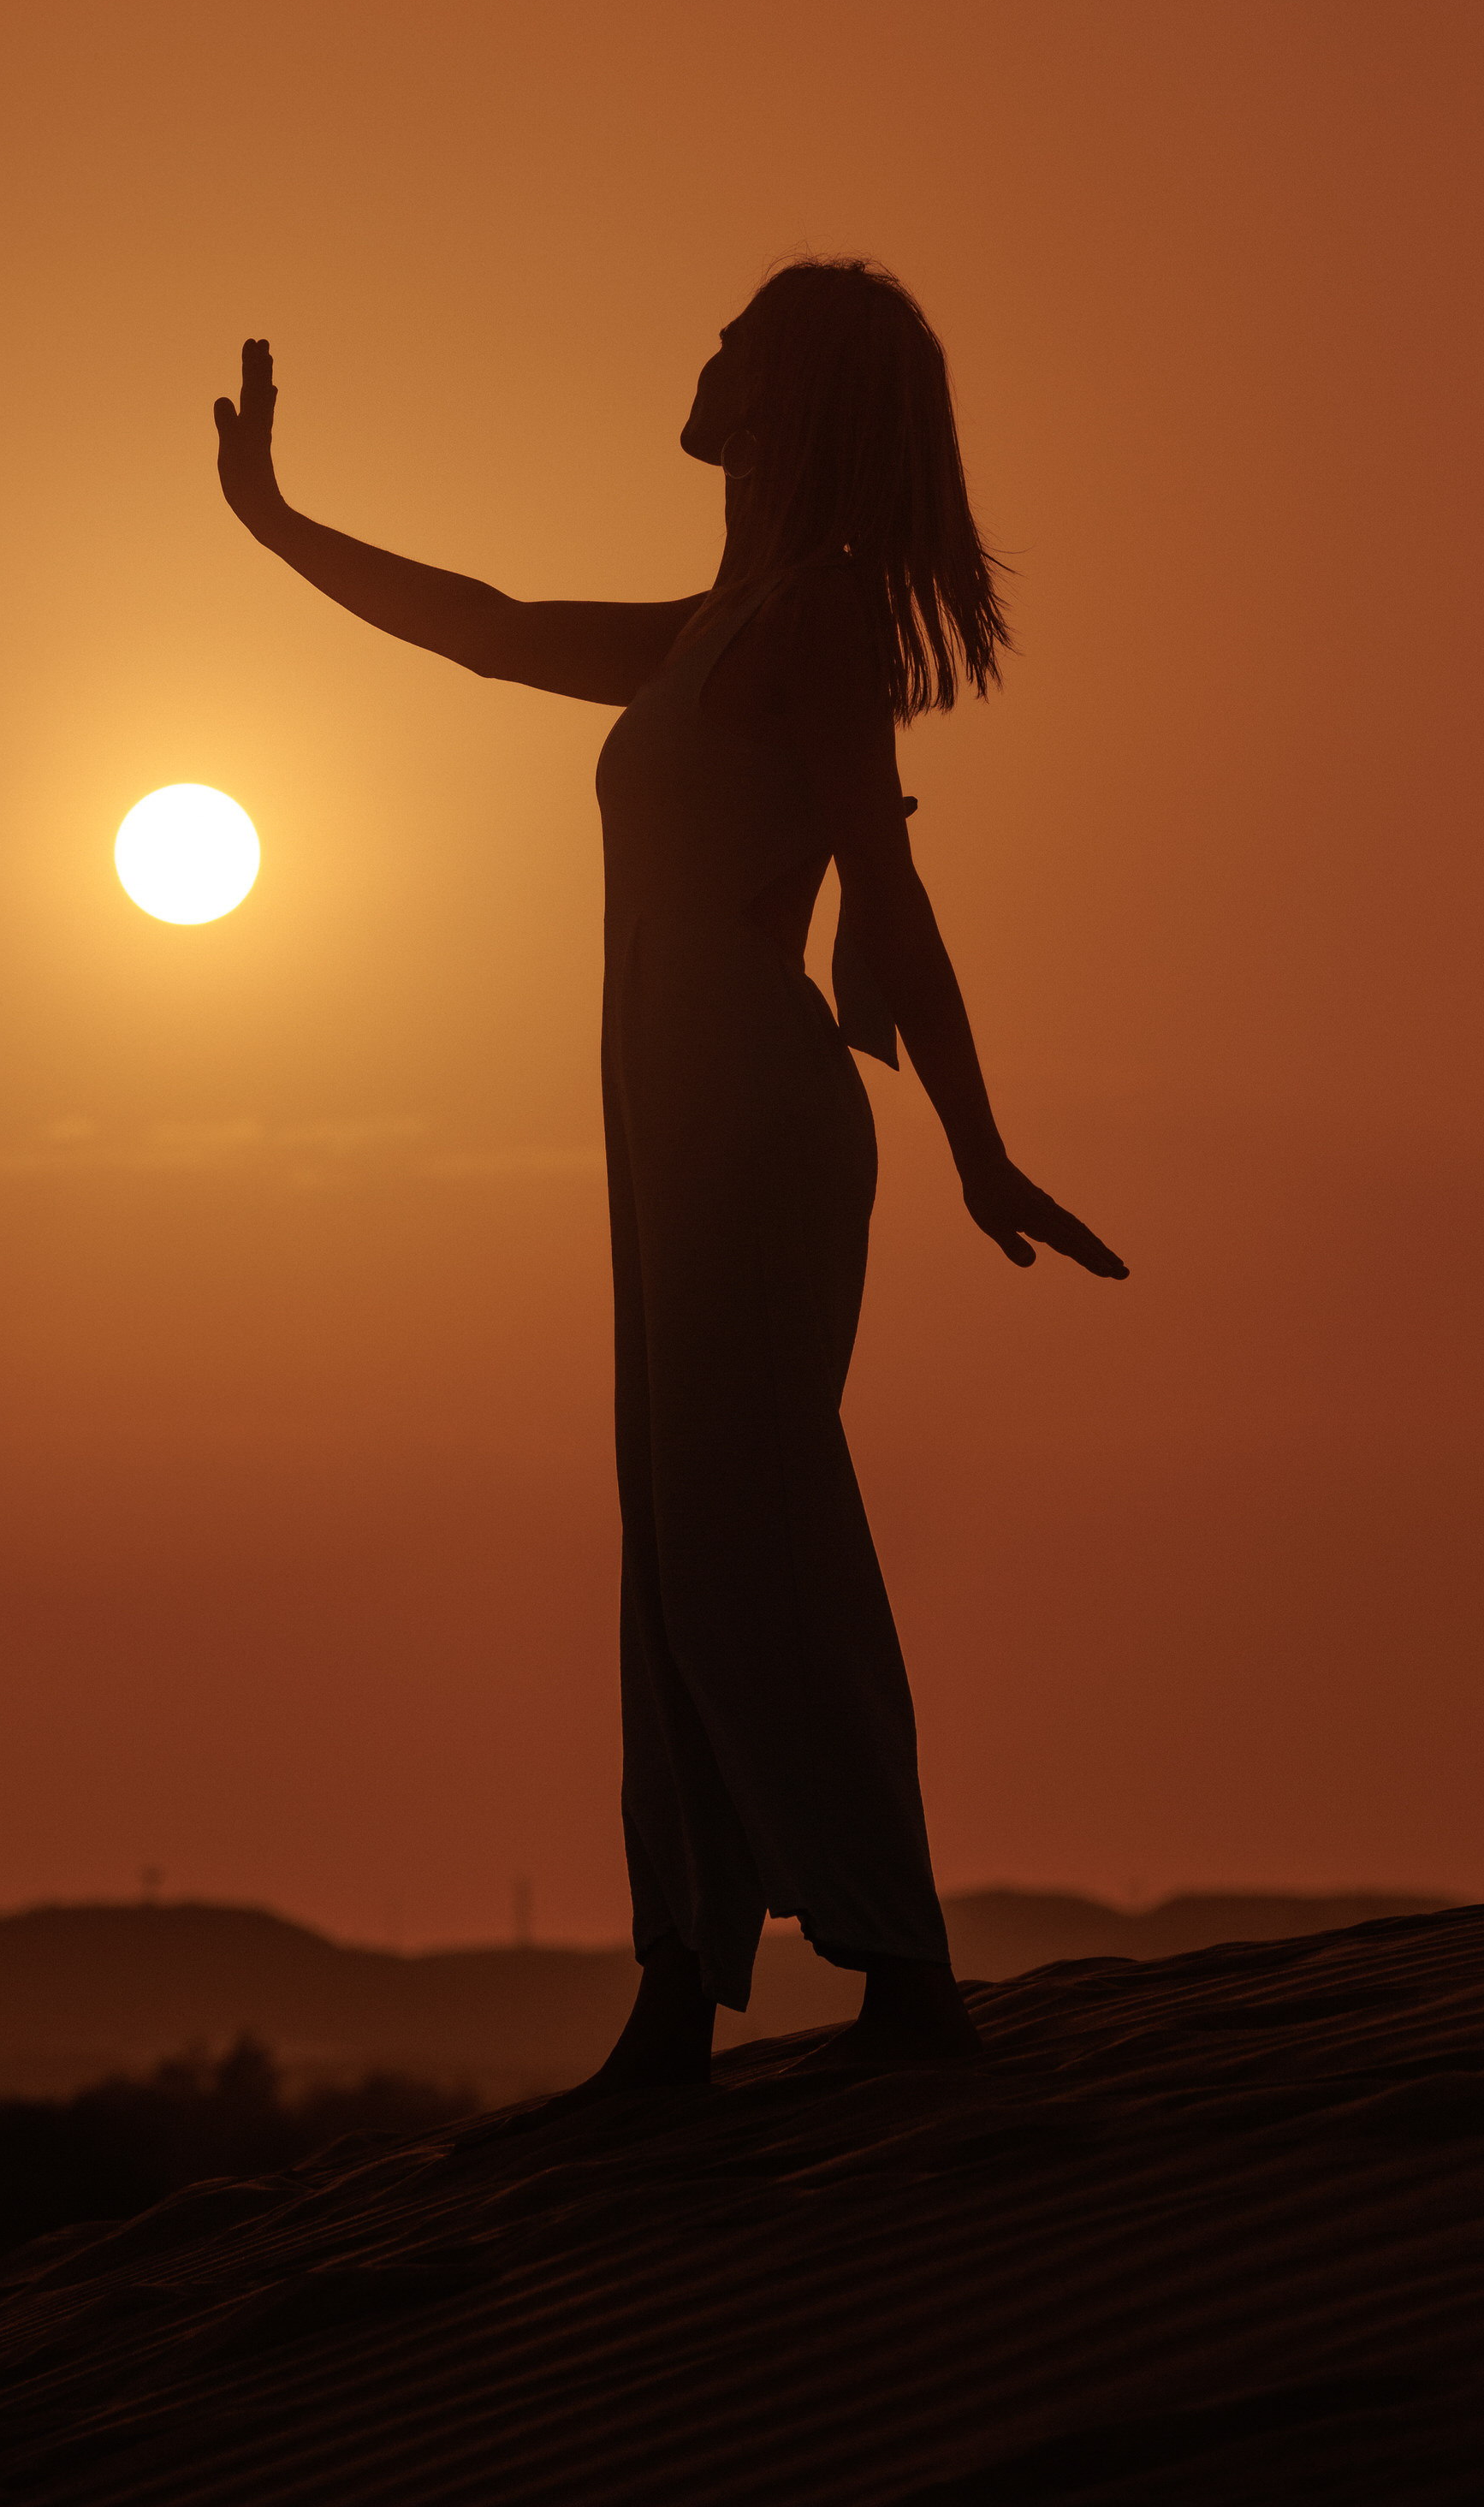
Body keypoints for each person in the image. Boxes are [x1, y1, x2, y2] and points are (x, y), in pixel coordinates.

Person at [215, 257, 1126, 2085]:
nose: (702, 356)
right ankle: (679, 1982)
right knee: (678, 1540)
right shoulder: (721, 624)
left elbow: (889, 888)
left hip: (756, 1128)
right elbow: (481, 625)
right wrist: (278, 523)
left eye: (736, 338)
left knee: (760, 1528)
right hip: (669, 1127)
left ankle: (900, 1963)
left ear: (789, 395)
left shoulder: (820, 619)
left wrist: (980, 1146)